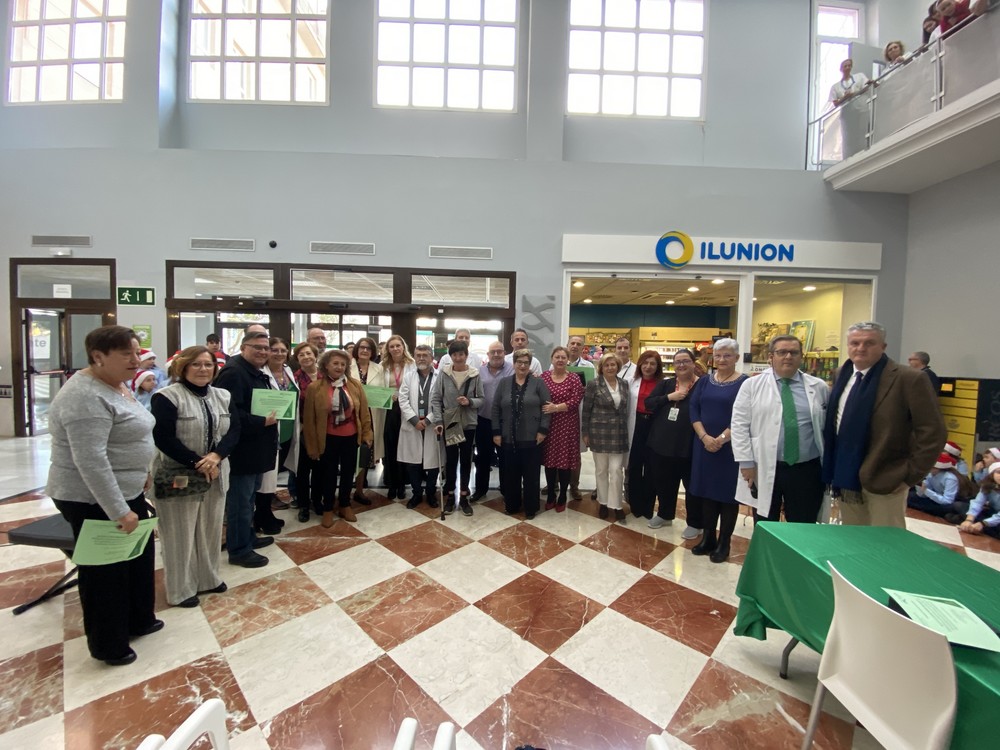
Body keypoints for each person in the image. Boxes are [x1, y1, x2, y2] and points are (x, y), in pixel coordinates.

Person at [46, 325, 160, 666]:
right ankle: (109, 643)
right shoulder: (83, 395)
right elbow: (90, 461)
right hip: (92, 498)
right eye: (127, 354)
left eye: (137, 352)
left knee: (138, 559)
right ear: (98, 357)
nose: (136, 360)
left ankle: (139, 619)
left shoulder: (118, 385)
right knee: (105, 573)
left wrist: (142, 474)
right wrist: (117, 510)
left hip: (127, 488)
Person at [822, 321, 946, 528]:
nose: (860, 348)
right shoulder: (842, 375)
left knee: (885, 546)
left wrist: (909, 475)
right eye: (855, 343)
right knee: (853, 540)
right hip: (846, 475)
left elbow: (933, 431)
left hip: (887, 477)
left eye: (869, 343)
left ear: (883, 347)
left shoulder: (909, 379)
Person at [151, 346, 238, 608]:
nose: (203, 369)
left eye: (208, 365)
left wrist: (216, 456)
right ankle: (180, 588)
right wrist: (198, 461)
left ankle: (208, 578)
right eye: (196, 365)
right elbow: (163, 437)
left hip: (216, 470)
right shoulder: (167, 397)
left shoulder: (222, 395)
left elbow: (234, 430)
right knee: (180, 532)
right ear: (183, 367)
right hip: (180, 473)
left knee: (211, 527)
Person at [731, 335, 830, 524]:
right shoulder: (752, 385)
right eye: (781, 352)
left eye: (794, 352)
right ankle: (768, 555)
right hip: (766, 465)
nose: (788, 357)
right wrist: (746, 462)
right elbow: (739, 424)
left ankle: (797, 554)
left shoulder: (818, 387)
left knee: (803, 524)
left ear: (802, 356)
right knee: (766, 523)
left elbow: (826, 428)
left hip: (806, 469)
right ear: (771, 356)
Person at [214, 331, 279, 568]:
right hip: (242, 449)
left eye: (266, 348)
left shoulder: (254, 372)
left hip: (255, 448)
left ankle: (247, 537)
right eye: (257, 347)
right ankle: (239, 549)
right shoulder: (234, 373)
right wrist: (261, 421)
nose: (263, 352)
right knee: (240, 502)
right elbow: (229, 413)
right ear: (243, 347)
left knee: (248, 498)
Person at [688, 338, 748, 563]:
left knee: (728, 498)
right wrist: (704, 436)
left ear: (737, 358)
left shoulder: (744, 383)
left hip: (730, 448)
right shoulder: (705, 381)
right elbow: (694, 408)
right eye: (719, 355)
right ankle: (708, 538)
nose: (722, 359)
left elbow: (745, 416)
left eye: (728, 355)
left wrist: (721, 439)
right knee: (706, 494)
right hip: (704, 445)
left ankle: (724, 543)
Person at [303, 349, 374, 526]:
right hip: (327, 438)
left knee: (348, 473)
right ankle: (328, 508)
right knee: (328, 474)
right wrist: (311, 447)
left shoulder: (354, 385)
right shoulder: (315, 388)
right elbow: (309, 420)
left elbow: (364, 412)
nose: (339, 367)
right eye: (335, 363)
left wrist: (367, 434)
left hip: (351, 437)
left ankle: (345, 504)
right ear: (326, 365)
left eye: (343, 364)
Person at [645, 348, 700, 533]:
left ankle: (694, 522)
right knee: (664, 482)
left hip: (689, 445)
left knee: (691, 485)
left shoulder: (702, 385)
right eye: (678, 362)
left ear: (694, 363)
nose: (681, 365)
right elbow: (649, 403)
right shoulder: (666, 384)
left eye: (685, 361)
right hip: (662, 444)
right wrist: (669, 397)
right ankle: (665, 514)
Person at [492, 348, 551, 519]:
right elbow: (496, 408)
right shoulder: (504, 383)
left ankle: (531, 507)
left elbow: (547, 408)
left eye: (526, 362)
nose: (523, 365)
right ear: (514, 363)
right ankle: (512, 505)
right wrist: (496, 432)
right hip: (508, 437)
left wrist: (543, 430)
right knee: (511, 474)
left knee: (531, 475)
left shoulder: (538, 383)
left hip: (533, 437)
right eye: (519, 362)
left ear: (530, 364)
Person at [432, 339, 484, 515]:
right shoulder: (444, 374)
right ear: (451, 356)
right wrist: (439, 421)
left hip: (468, 424)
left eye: (461, 354)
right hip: (450, 423)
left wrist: (469, 401)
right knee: (451, 461)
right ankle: (449, 496)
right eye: (454, 354)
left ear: (466, 355)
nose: (458, 357)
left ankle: (463, 496)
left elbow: (482, 400)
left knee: (466, 461)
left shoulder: (475, 374)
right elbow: (436, 398)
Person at [582, 351, 631, 524]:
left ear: (618, 366)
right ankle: (603, 502)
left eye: (613, 365)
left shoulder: (624, 384)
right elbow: (586, 410)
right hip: (599, 433)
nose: (610, 368)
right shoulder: (593, 384)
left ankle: (616, 505)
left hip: (618, 434)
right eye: (607, 365)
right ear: (601, 368)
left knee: (616, 471)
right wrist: (585, 432)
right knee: (601, 470)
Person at [541, 346, 585, 512]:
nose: (560, 360)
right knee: (550, 462)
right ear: (552, 359)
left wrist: (556, 407)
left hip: (567, 425)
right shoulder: (544, 376)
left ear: (568, 360)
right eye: (557, 357)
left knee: (565, 462)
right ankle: (551, 493)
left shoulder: (574, 378)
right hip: (549, 425)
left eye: (563, 357)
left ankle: (562, 496)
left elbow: (576, 399)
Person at [258, 337, 297, 517]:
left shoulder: (288, 371)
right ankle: (263, 514)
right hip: (269, 430)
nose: (279, 354)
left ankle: (266, 510)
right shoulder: (260, 373)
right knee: (266, 475)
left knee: (276, 471)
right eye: (275, 350)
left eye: (283, 350)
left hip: (288, 430)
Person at [399, 344, 441, 509]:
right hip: (413, 425)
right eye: (418, 355)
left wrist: (429, 419)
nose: (421, 358)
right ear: (414, 358)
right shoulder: (408, 376)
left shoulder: (439, 376)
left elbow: (441, 400)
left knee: (433, 462)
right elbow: (403, 400)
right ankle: (416, 493)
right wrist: (414, 420)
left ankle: (431, 493)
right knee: (413, 462)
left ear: (431, 358)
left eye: (425, 355)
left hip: (432, 425)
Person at [374, 335, 415, 500]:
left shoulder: (412, 364)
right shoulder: (382, 366)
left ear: (403, 347)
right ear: (387, 349)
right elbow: (377, 387)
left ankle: (402, 484)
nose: (395, 349)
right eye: (392, 346)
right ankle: (391, 483)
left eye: (398, 345)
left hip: (406, 409)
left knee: (404, 445)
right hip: (388, 410)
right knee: (390, 446)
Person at [472, 340, 513, 502]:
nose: (496, 354)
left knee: (505, 457)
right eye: (493, 352)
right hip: (484, 420)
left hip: (505, 421)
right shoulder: (479, 372)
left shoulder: (512, 370)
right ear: (488, 355)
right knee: (482, 457)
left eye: (499, 351)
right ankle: (480, 489)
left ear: (504, 353)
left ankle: (506, 489)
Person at [625, 350, 664, 519]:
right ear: (640, 364)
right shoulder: (631, 382)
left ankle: (648, 506)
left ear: (658, 367)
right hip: (636, 424)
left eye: (652, 364)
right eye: (645, 363)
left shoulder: (664, 384)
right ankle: (635, 504)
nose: (648, 367)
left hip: (654, 427)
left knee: (652, 468)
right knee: (634, 466)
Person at [292, 342, 322, 522]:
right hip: (303, 429)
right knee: (302, 470)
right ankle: (303, 505)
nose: (306, 357)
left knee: (320, 469)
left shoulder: (325, 376)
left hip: (323, 429)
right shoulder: (294, 378)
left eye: (309, 353)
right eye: (301, 354)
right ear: (297, 359)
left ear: (315, 355)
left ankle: (317, 501)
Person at [562, 335, 593, 500]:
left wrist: (586, 388)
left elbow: (594, 393)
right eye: (572, 343)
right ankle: (553, 484)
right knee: (556, 448)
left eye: (578, 344)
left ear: (583, 348)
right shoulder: (558, 364)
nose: (574, 346)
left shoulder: (588, 367)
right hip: (560, 414)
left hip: (579, 413)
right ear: (567, 345)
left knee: (575, 453)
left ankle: (574, 486)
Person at [349, 336, 379, 500]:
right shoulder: (347, 367)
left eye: (368, 348)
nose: (365, 350)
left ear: (373, 352)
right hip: (350, 417)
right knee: (350, 454)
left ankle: (359, 489)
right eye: (362, 347)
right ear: (357, 350)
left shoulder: (379, 369)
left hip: (371, 417)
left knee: (365, 453)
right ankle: (347, 489)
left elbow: (383, 392)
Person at [907, 452, 972, 518]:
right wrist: (919, 485)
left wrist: (926, 491)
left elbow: (948, 501)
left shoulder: (950, 478)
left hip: (951, 502)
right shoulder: (930, 474)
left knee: (948, 507)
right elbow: (921, 495)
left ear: (938, 468)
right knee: (910, 497)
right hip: (938, 499)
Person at [958, 462, 1000, 538]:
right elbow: (978, 502)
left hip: (997, 518)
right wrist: (969, 520)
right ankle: (975, 526)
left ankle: (979, 527)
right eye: (998, 472)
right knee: (960, 506)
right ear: (992, 474)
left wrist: (983, 523)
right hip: (992, 513)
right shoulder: (987, 485)